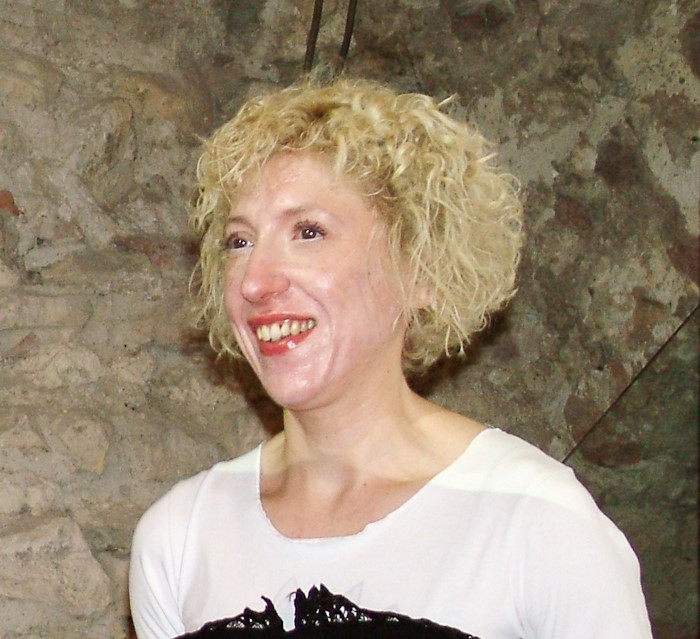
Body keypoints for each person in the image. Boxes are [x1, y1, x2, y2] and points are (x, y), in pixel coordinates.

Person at [129, 76, 653, 639]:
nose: (256, 281)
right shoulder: (180, 538)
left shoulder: (535, 522)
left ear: (420, 268)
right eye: (240, 241)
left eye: (308, 232)